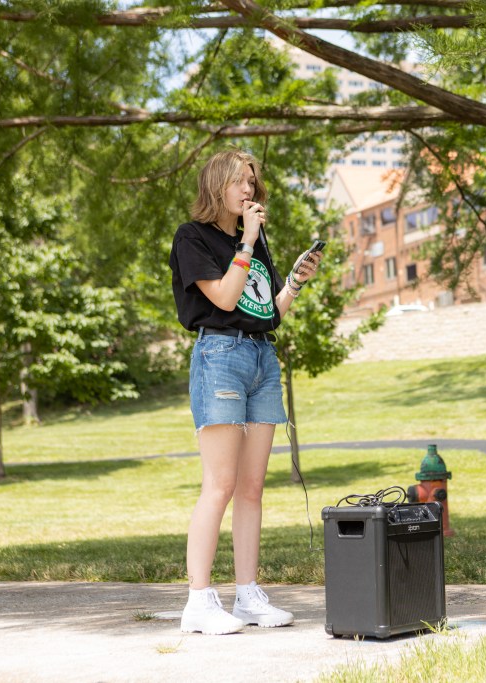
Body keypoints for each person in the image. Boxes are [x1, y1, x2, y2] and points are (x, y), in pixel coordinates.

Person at [168, 149, 322, 634]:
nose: (250, 189)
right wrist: (248, 242)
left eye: (253, 181)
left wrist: (294, 283)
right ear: (218, 184)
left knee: (253, 488)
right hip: (220, 358)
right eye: (240, 181)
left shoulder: (253, 241)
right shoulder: (193, 237)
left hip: (260, 357)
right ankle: (198, 601)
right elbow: (226, 297)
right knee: (221, 485)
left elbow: (266, 311)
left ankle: (249, 596)